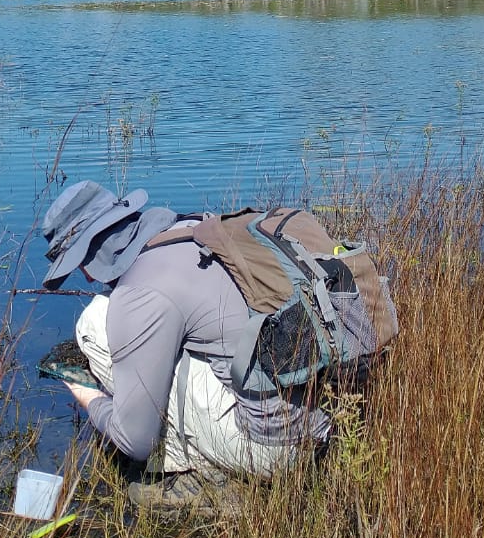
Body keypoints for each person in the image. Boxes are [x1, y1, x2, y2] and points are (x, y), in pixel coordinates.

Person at [41, 180, 331, 507]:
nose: (88, 276)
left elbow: (135, 442)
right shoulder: (194, 227)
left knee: (94, 321)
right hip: (325, 408)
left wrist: (88, 397)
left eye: (79, 264)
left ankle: (196, 473)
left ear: (92, 250)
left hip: (279, 450)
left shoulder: (139, 295)